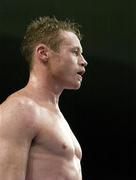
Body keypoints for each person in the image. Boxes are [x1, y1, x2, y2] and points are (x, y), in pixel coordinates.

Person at [0, 16, 88, 180]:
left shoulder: (56, 117)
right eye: (75, 52)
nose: (84, 62)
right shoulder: (20, 108)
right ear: (43, 53)